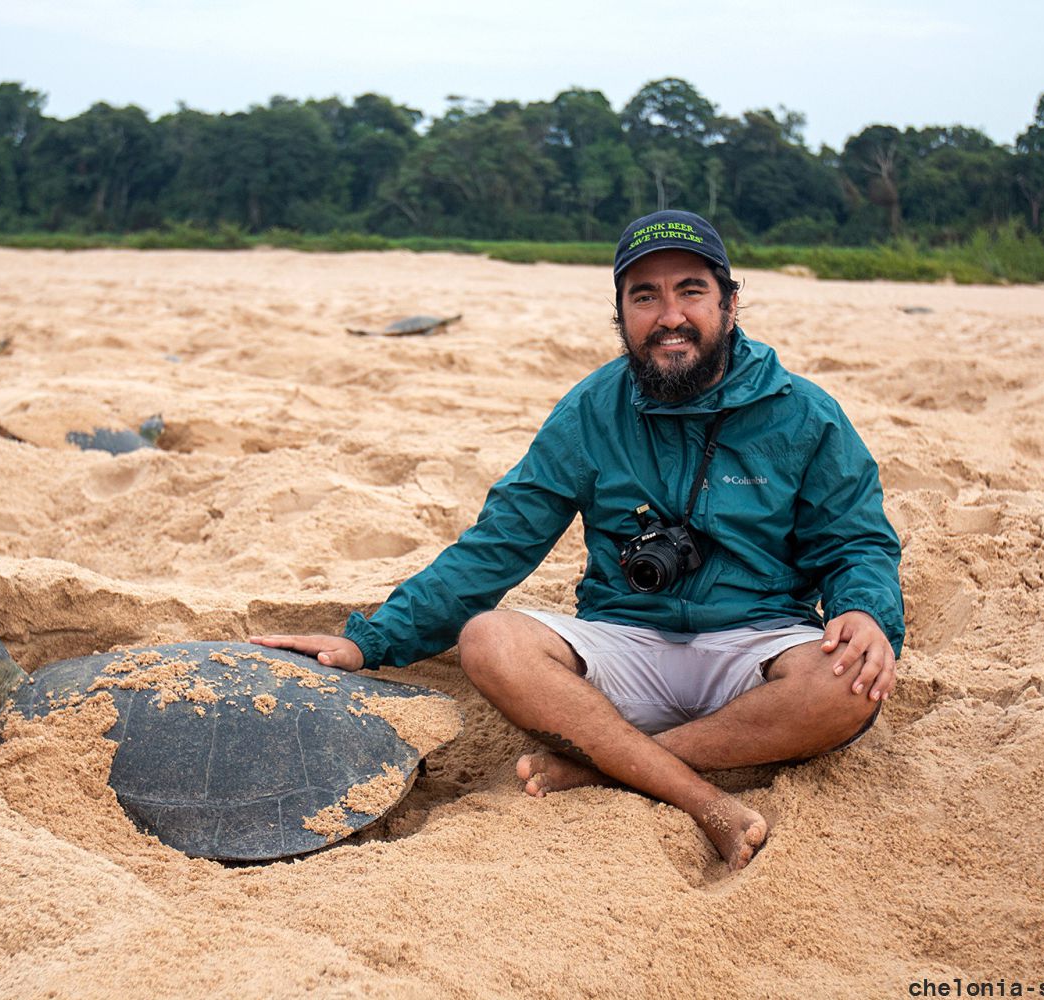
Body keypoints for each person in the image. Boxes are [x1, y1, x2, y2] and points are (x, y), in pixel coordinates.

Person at [253, 210, 904, 871]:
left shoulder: (804, 413)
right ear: (620, 313)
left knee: (848, 681)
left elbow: (857, 538)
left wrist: (864, 608)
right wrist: (370, 640)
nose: (669, 315)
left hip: (758, 645)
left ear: (730, 304)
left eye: (691, 290)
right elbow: (498, 544)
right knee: (490, 640)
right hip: (627, 640)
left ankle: (609, 765)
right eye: (644, 296)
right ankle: (687, 785)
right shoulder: (592, 410)